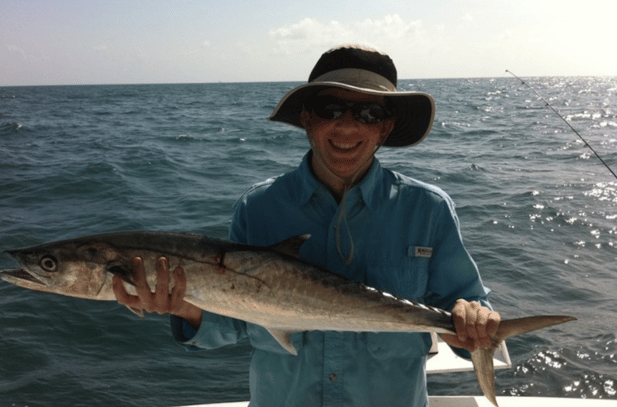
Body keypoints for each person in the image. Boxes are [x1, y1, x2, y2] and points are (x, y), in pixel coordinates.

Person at [113, 45, 501, 407]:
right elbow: (234, 321)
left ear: (384, 128)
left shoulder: (428, 209)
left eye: (368, 114)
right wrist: (186, 307)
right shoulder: (258, 207)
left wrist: (475, 321)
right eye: (331, 109)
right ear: (307, 118)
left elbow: (466, 309)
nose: (347, 127)